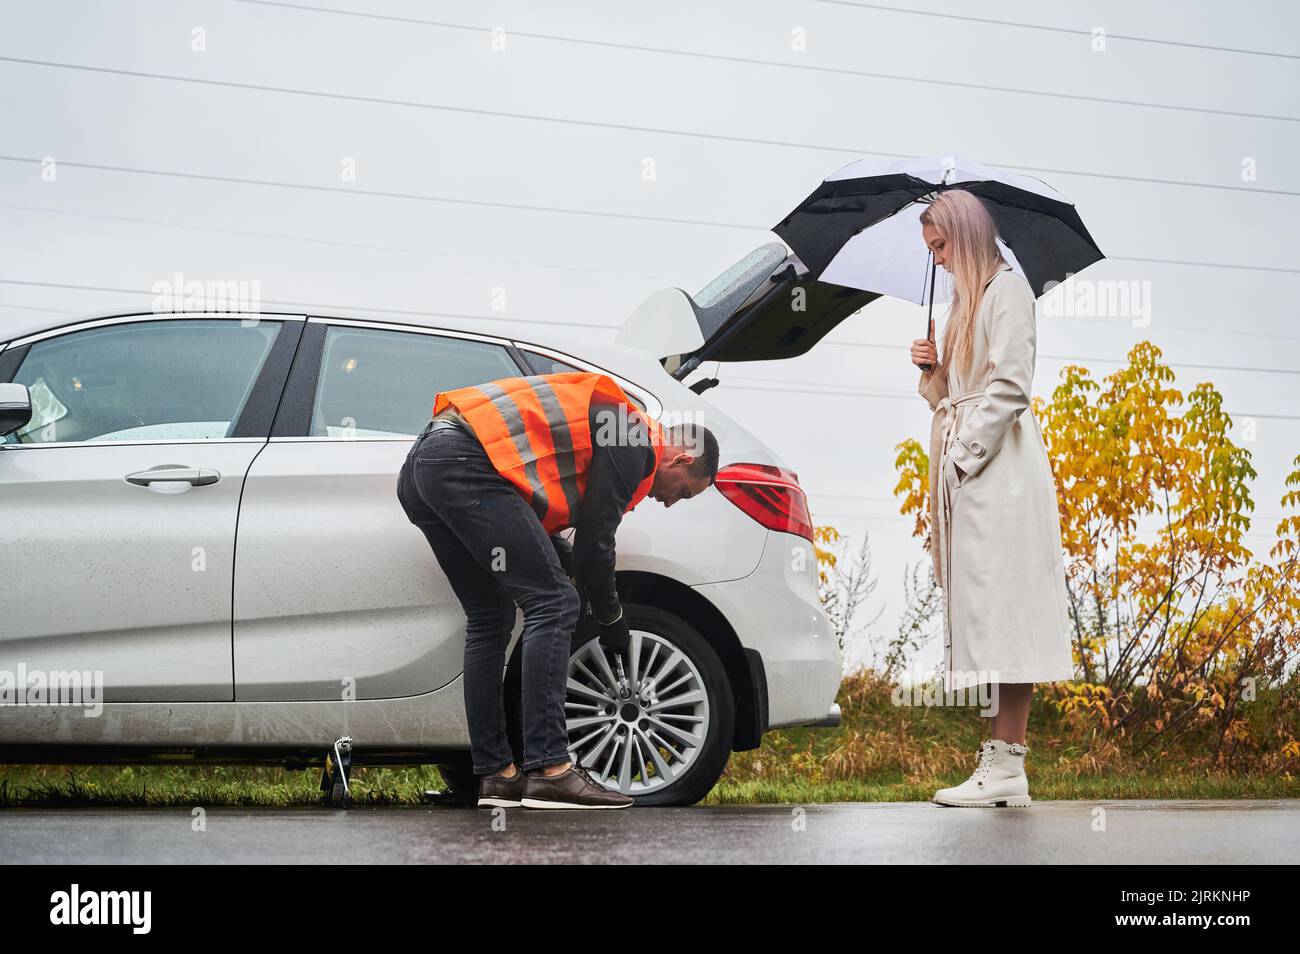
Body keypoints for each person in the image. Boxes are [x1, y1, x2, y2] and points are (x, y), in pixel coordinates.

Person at [396, 370, 719, 809]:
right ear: (681, 460)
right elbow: (594, 544)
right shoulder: (633, 435)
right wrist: (611, 618)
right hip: (464, 461)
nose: (668, 502)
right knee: (553, 601)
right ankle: (552, 771)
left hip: (426, 467)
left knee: (491, 616)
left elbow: (548, 535)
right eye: (683, 493)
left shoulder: (615, 430)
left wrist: (574, 570)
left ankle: (498, 776)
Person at [909, 189, 1075, 808]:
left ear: (967, 235)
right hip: (970, 469)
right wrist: (932, 370)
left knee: (1006, 609)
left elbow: (1010, 386)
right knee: (984, 611)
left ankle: (1007, 766)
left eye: (941, 246)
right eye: (931, 251)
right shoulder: (964, 303)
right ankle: (1000, 765)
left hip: (997, 470)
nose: (938, 261)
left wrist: (963, 456)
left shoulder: (1009, 291)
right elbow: (952, 394)